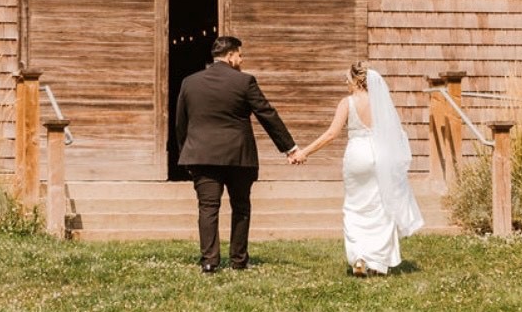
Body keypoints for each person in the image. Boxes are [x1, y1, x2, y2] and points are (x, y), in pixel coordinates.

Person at [175, 35, 299, 274]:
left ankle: (210, 261)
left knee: (207, 208)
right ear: (231, 56)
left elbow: (182, 123)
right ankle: (238, 259)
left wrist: (186, 154)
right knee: (240, 207)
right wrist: (289, 148)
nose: (241, 60)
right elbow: (267, 115)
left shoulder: (189, 82)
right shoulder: (244, 82)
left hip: (201, 154)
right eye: (240, 55)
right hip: (238, 156)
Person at [293, 61, 423, 276]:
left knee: (355, 206)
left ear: (355, 80)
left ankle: (360, 256)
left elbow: (331, 134)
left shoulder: (347, 102)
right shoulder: (381, 103)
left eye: (347, 79)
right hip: (381, 155)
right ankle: (379, 262)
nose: (346, 82)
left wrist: (304, 152)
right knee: (381, 206)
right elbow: (395, 134)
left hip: (357, 156)